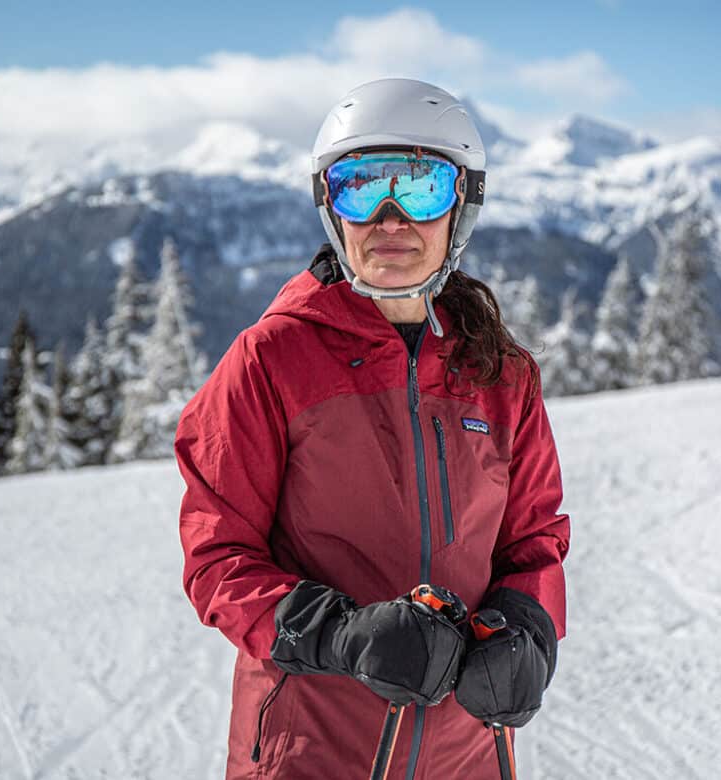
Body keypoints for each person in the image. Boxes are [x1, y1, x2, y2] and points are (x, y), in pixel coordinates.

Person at [175, 78, 570, 779]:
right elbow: (217, 560)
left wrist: (526, 627)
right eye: (361, 189)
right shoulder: (270, 362)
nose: (391, 219)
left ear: (461, 207)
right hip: (312, 751)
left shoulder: (502, 375)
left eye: (420, 189)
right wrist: (342, 635)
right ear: (332, 208)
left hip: (467, 756)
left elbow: (534, 540)